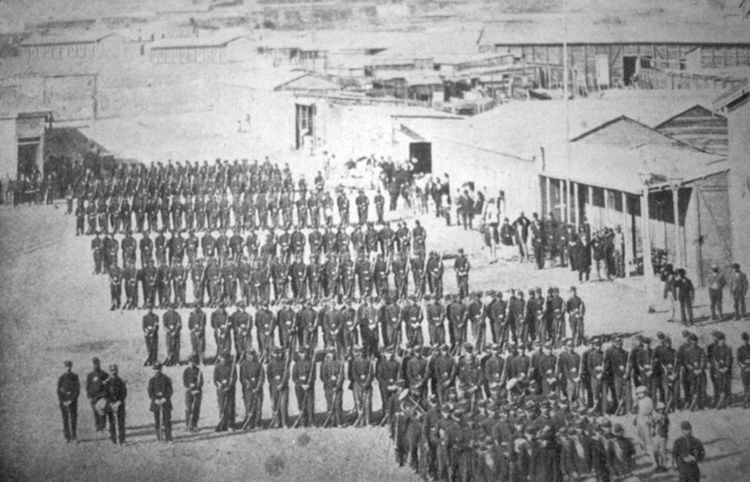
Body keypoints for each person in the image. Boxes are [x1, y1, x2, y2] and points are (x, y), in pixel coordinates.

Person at [147, 363, 173, 442]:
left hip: (165, 403)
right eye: (155, 369)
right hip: (156, 403)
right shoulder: (151, 380)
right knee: (157, 421)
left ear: (161, 369)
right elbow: (150, 392)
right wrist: (156, 400)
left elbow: (170, 391)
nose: (156, 371)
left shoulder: (166, 379)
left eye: (158, 369)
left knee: (167, 421)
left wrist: (164, 399)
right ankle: (159, 437)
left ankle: (168, 438)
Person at [57, 360, 80, 443]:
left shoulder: (75, 377)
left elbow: (77, 390)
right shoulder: (61, 378)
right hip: (64, 402)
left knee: (73, 419)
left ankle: (74, 436)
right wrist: (63, 401)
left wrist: (71, 400)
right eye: (66, 366)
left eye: (69, 366)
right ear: (64, 367)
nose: (68, 368)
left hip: (72, 402)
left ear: (71, 367)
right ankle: (67, 437)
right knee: (65, 419)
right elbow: (59, 391)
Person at [104, 364, 127, 445]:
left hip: (120, 405)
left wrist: (119, 402)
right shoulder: (107, 382)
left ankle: (122, 440)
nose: (114, 372)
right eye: (112, 370)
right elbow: (105, 394)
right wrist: (111, 403)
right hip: (111, 405)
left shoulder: (121, 381)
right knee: (112, 422)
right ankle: (114, 440)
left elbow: (124, 393)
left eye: (115, 370)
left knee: (121, 422)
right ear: (110, 371)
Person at [86, 357, 109, 432]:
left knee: (102, 411)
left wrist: (105, 395)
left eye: (97, 363)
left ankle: (103, 426)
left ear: (99, 363)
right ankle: (97, 426)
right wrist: (89, 396)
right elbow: (88, 386)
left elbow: (108, 383)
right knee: (95, 411)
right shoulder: (90, 375)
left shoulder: (104, 374)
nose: (96, 365)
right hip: (93, 396)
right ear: (93, 364)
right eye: (95, 364)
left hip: (101, 396)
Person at [183, 354, 203, 432]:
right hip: (189, 392)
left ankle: (194, 425)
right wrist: (190, 387)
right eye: (190, 362)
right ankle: (188, 424)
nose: (191, 363)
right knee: (188, 409)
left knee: (196, 409)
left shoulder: (198, 371)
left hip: (197, 392)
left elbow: (201, 382)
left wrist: (197, 389)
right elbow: (184, 382)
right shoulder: (186, 371)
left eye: (193, 362)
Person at [651, 401, 670, 473]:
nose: (661, 410)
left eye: (662, 409)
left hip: (663, 436)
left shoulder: (665, 417)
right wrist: (653, 430)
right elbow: (653, 424)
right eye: (660, 409)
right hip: (657, 435)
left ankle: (664, 466)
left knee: (662, 451)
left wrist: (662, 420)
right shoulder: (656, 416)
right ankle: (657, 465)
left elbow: (665, 425)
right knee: (655, 451)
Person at [738, 332, 750, 409]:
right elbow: (738, 361)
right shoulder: (739, 349)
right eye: (744, 340)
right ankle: (747, 401)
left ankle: (746, 402)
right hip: (744, 370)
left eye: (746, 340)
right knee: (745, 386)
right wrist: (744, 366)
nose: (745, 341)